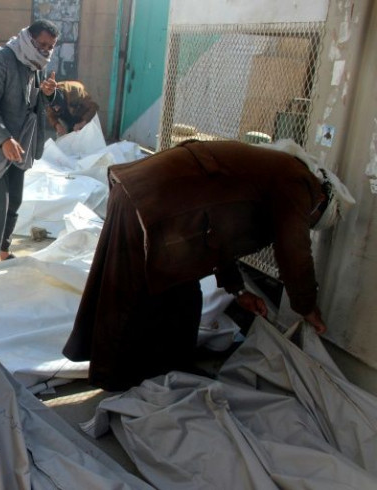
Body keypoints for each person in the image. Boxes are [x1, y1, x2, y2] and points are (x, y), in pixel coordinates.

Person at [63, 139, 356, 392]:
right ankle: (126, 379)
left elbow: (222, 233)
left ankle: (158, 372)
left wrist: (237, 289)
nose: (307, 223)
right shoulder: (297, 182)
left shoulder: (276, 170)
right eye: (312, 222)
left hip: (140, 194)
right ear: (319, 204)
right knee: (137, 296)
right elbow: (294, 250)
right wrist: (307, 307)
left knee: (172, 296)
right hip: (151, 203)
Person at [0, 20, 59, 263]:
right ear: (29, 39)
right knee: (0, 199)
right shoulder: (1, 58)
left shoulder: (35, 63)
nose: (46, 50)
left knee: (15, 199)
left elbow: (33, 101)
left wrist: (48, 93)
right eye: (42, 44)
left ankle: (5, 250)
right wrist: (4, 139)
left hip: (22, 142)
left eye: (51, 46)